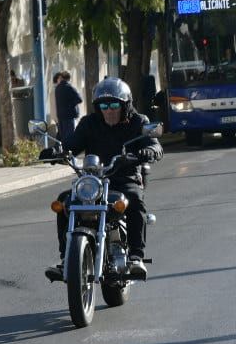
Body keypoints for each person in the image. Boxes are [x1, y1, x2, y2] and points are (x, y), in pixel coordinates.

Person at [44, 77, 161, 283]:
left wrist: (148, 151)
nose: (109, 110)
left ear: (125, 105)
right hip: (94, 181)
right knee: (64, 202)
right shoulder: (89, 123)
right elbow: (72, 144)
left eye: (114, 105)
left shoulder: (138, 122)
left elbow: (155, 146)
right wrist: (56, 151)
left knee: (134, 200)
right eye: (104, 106)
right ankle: (66, 258)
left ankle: (136, 257)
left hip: (125, 179)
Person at [53, 71, 82, 147]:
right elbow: (79, 99)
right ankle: (68, 150)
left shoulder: (57, 89)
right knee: (69, 136)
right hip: (69, 116)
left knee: (61, 136)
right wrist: (71, 105)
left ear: (61, 78)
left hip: (60, 116)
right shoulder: (69, 87)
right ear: (68, 78)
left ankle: (59, 149)